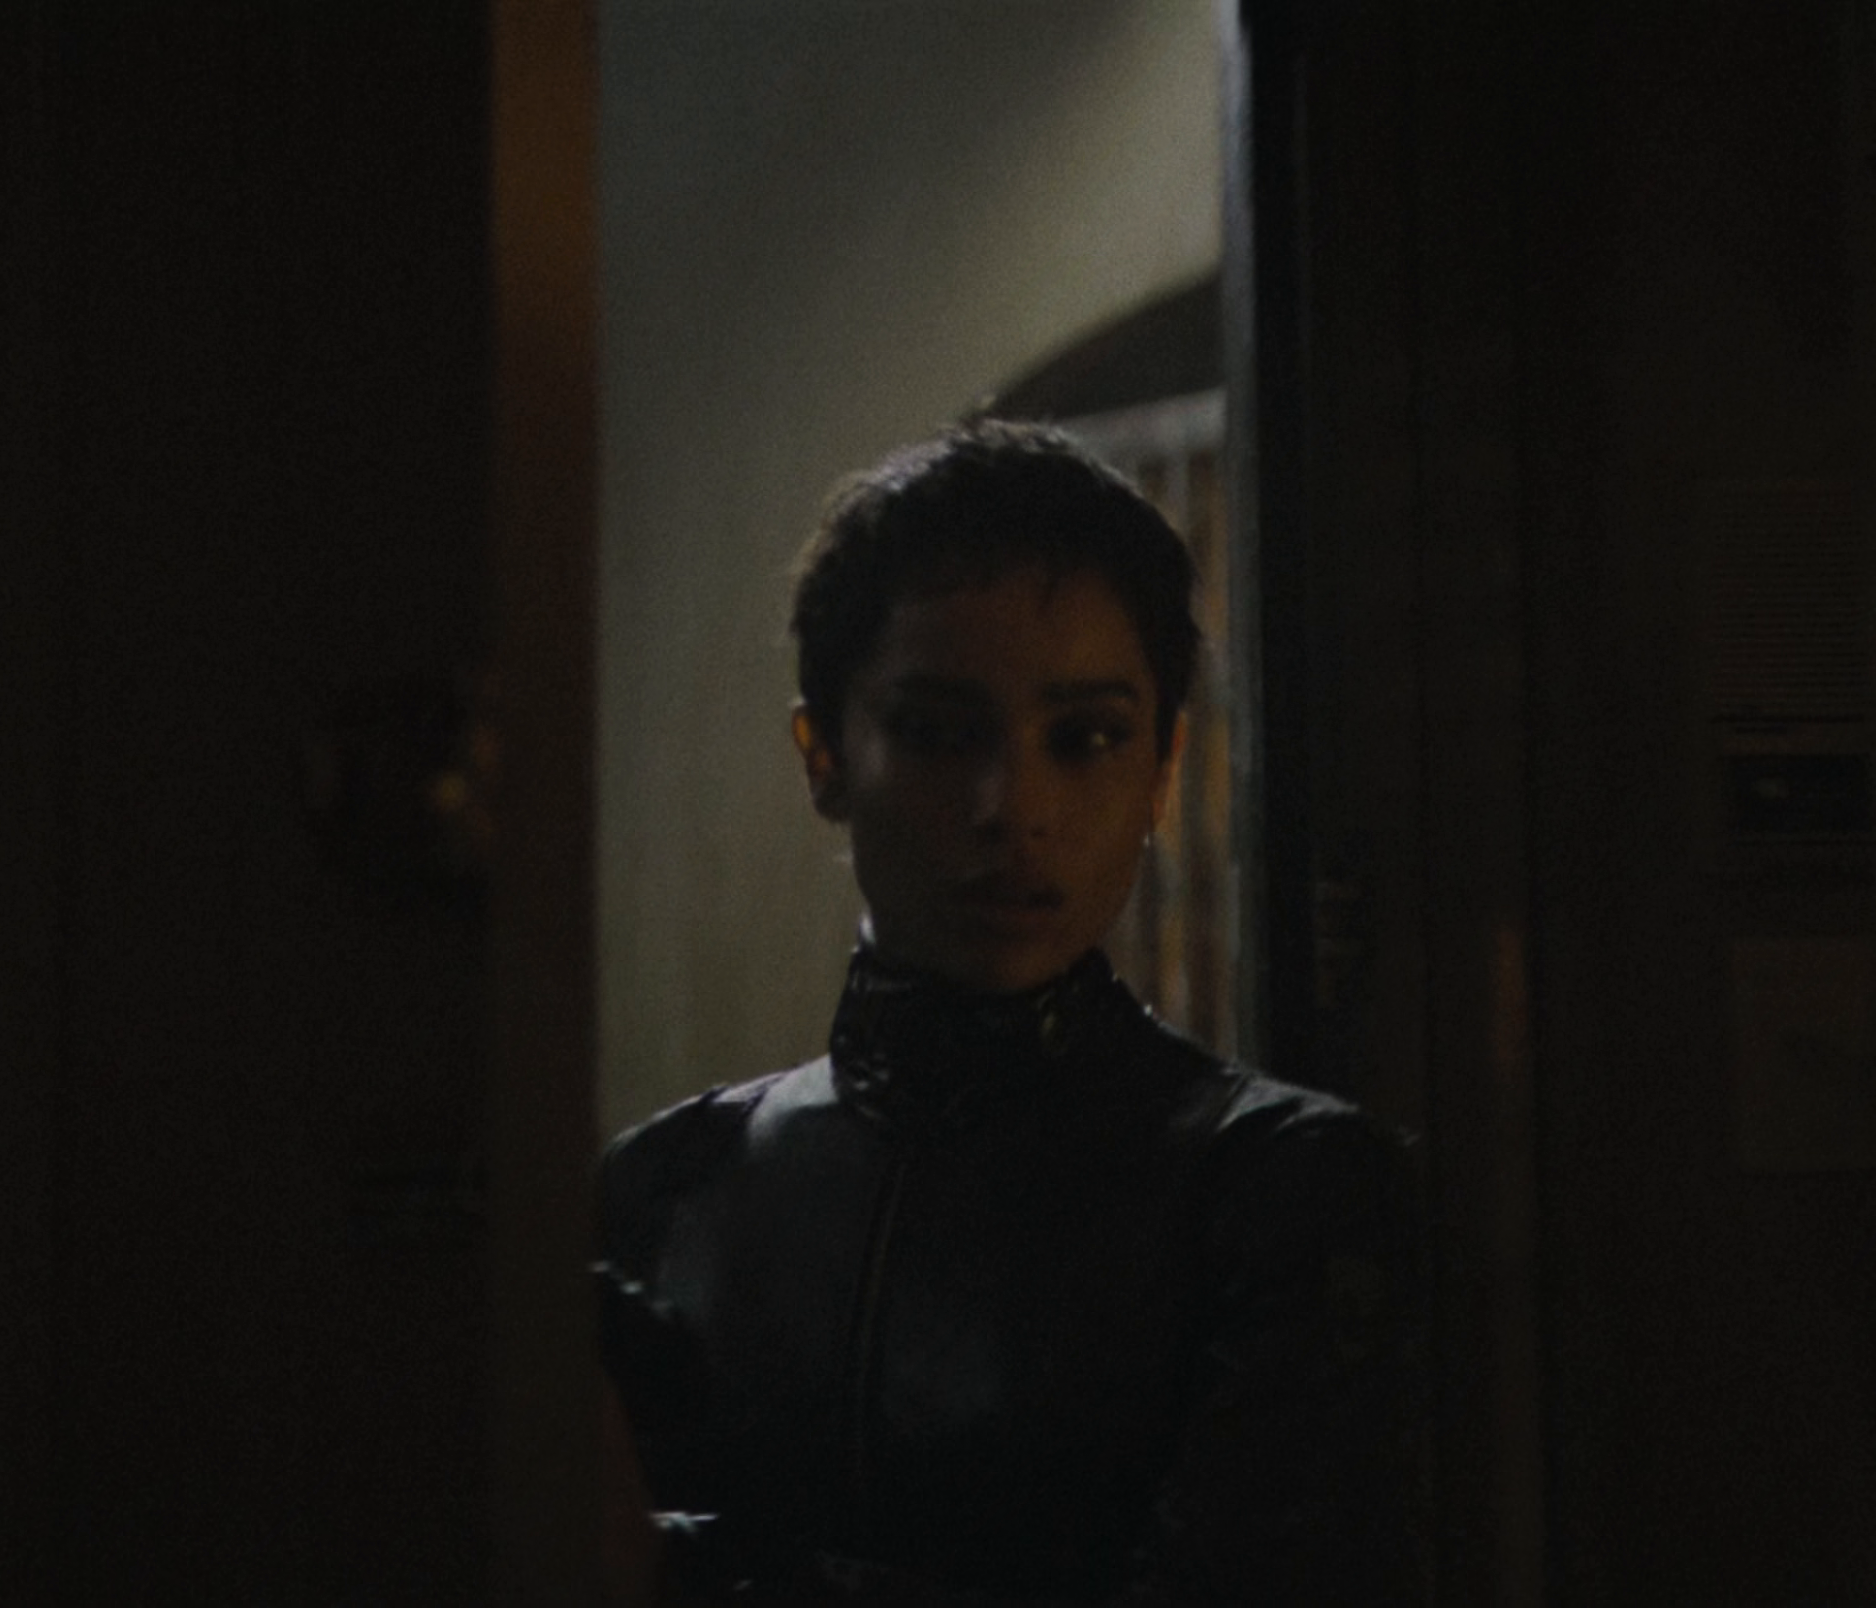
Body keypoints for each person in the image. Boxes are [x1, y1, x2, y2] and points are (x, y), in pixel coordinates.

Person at [596, 422, 1420, 1605]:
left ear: (1162, 770)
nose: (1013, 806)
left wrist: (683, 1572)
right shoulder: (666, 1192)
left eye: (1085, 739)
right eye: (940, 733)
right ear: (823, 756)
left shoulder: (1278, 1192)